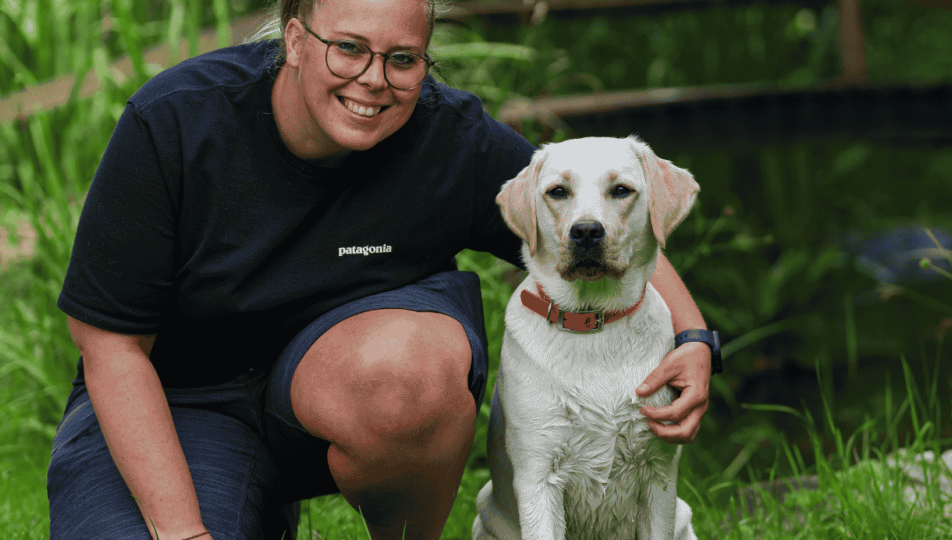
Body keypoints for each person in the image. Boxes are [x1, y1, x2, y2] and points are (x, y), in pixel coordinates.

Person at [47, 0, 714, 538]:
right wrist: (183, 532)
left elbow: (591, 230)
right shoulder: (177, 121)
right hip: (179, 404)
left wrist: (691, 337)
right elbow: (110, 347)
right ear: (296, 38)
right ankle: (250, 505)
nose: (373, 79)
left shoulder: (449, 138)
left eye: (402, 58)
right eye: (349, 48)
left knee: (411, 373)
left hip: (361, 393)